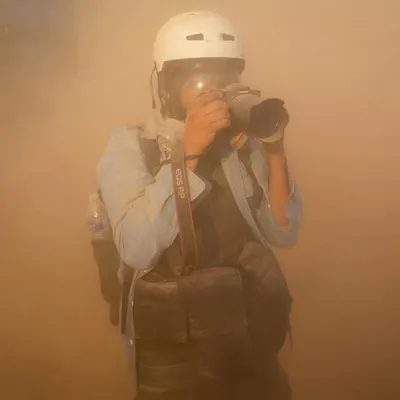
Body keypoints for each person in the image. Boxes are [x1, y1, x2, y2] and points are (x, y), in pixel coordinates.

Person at [96, 10, 303, 400]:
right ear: (168, 86)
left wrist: (273, 148)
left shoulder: (240, 144)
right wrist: (189, 152)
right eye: (202, 79)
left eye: (226, 78)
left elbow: (284, 230)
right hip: (172, 351)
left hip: (249, 337)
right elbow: (136, 246)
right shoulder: (130, 145)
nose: (216, 92)